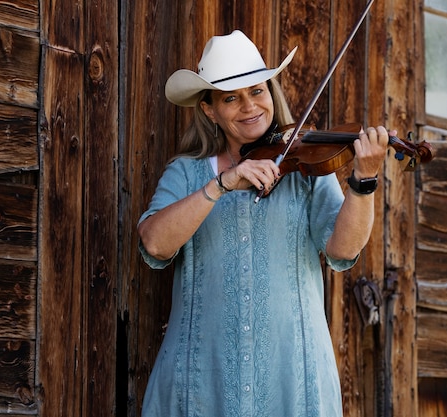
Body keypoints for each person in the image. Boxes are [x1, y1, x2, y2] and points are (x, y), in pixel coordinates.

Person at [138, 30, 390, 417]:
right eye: (230, 98)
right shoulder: (187, 175)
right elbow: (155, 244)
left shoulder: (306, 168)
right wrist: (223, 184)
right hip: (202, 381)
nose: (249, 106)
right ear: (209, 110)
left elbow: (343, 250)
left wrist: (364, 181)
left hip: (291, 379)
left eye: (257, 91)